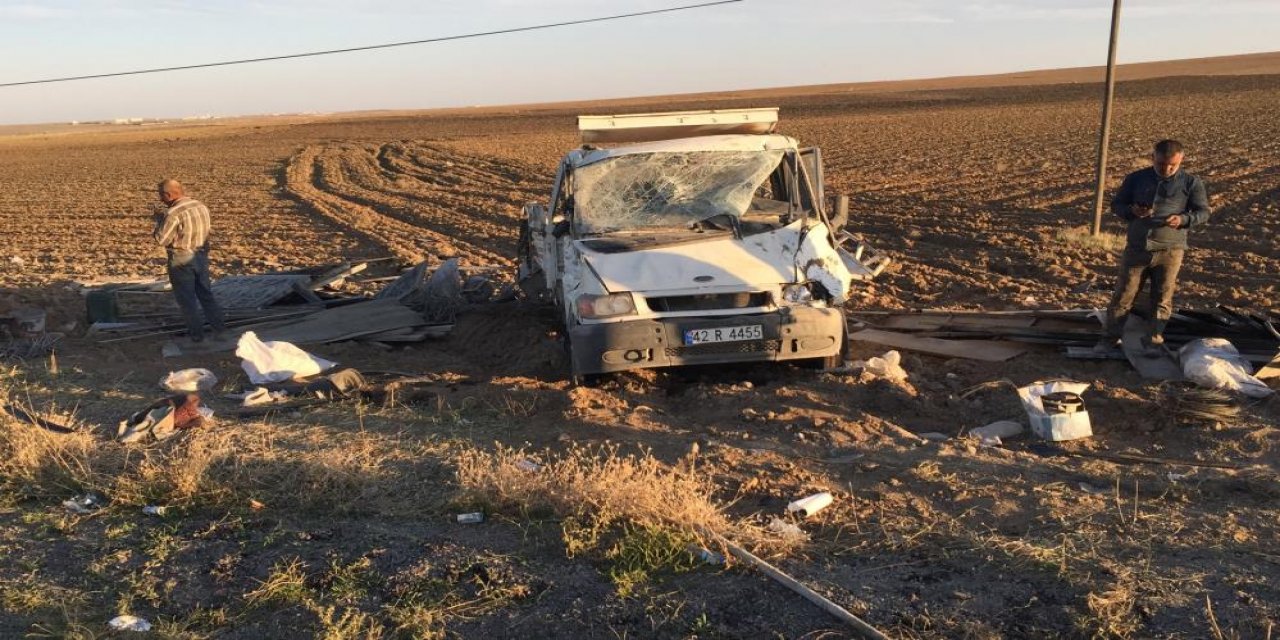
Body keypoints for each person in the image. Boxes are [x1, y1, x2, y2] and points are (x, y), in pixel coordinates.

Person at [1100, 139, 1210, 351]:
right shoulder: (1136, 179)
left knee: (1162, 298)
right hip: (1137, 248)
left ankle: (1153, 341)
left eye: (1172, 165)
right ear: (1153, 158)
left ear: (1181, 160)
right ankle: (1109, 339)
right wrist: (1132, 211)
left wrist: (1183, 220)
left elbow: (1203, 212)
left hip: (1171, 250)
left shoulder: (1191, 183)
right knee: (1123, 295)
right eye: (1161, 164)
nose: (1166, 169)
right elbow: (1117, 205)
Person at [154, 178, 226, 342]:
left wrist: (159, 222)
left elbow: (161, 239)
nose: (160, 199)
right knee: (206, 294)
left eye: (161, 196)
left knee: (187, 300)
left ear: (169, 194)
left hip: (181, 258)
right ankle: (220, 329)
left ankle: (196, 335)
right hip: (200, 255)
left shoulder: (173, 213)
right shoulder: (201, 206)